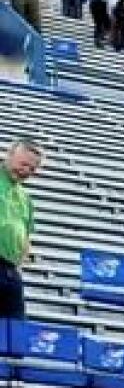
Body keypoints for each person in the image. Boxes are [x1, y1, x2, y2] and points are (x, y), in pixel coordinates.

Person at [0, 136, 40, 324]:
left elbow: (26, 233)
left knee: (16, 330)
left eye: (32, 169)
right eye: (23, 164)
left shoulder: (26, 198)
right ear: (9, 155)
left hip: (10, 271)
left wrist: (22, 256)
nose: (26, 171)